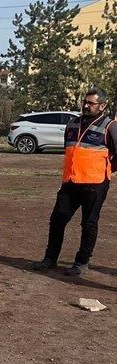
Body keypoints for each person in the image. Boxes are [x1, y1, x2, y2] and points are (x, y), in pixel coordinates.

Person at [34, 89, 116, 278]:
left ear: (102, 106)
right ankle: (50, 258)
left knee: (88, 223)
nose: (86, 106)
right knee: (57, 220)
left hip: (95, 184)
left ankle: (81, 262)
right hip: (70, 182)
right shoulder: (72, 124)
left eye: (91, 103)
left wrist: (105, 170)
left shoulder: (110, 126)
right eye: (85, 102)